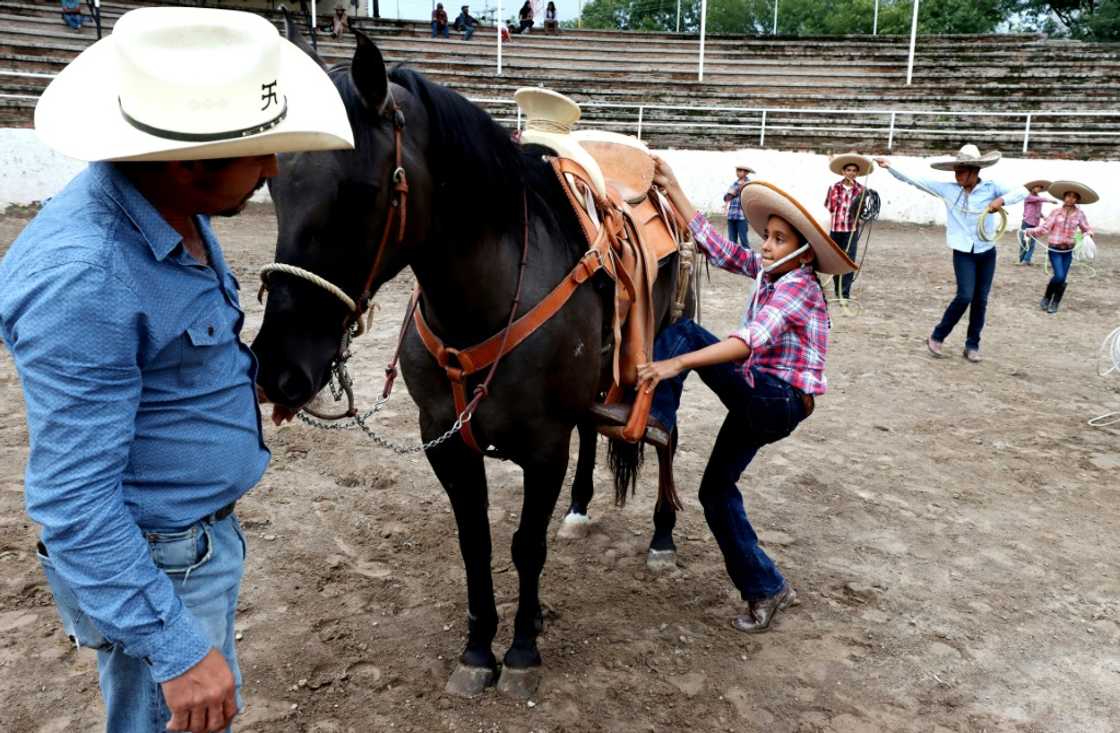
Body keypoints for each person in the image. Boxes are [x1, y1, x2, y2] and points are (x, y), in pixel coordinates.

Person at [0, 8, 353, 732]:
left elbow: (174, 357)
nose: (271, 170)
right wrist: (174, 647)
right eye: (258, 154)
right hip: (156, 563)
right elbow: (73, 501)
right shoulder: (86, 279)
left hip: (189, 545)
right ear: (189, 161)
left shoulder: (175, 215)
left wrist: (243, 382)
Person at [639, 156, 856, 634]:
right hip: (761, 398)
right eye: (767, 235)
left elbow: (749, 340)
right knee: (714, 492)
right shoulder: (771, 271)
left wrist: (676, 364)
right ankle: (767, 587)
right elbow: (716, 246)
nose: (765, 245)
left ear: (802, 253)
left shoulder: (798, 285)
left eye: (779, 239)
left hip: (776, 400)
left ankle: (656, 418)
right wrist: (672, 184)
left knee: (685, 333)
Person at [875, 145, 1025, 363]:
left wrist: (1001, 201)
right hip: (963, 251)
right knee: (965, 295)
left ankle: (972, 345)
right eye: (956, 170)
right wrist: (890, 167)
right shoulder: (949, 190)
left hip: (986, 250)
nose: (958, 175)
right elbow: (916, 181)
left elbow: (1022, 190)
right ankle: (937, 336)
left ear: (975, 171)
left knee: (980, 300)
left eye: (962, 170)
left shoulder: (992, 188)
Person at [1024, 180, 1097, 314]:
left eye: (1074, 196)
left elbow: (1087, 228)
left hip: (1068, 250)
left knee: (1062, 278)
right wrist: (1030, 231)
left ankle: (1055, 302)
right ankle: (1047, 297)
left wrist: (1088, 235)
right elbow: (1045, 228)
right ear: (1064, 197)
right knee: (1059, 276)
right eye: (1068, 195)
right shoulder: (1056, 212)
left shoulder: (1080, 214)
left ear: (1077, 200)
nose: (1071, 198)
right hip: (1055, 249)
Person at [824, 152, 873, 301]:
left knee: (849, 261)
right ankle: (838, 288)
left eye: (854, 170)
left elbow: (863, 211)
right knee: (835, 260)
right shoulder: (834, 188)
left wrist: (859, 216)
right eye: (848, 170)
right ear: (843, 172)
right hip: (836, 229)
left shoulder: (862, 190)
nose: (851, 173)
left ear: (857, 173)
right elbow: (829, 207)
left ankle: (844, 293)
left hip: (851, 230)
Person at [1017, 179, 1056, 266]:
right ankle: (1022, 259)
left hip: (1035, 223)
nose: (1038, 189)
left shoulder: (1037, 198)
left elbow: (1037, 210)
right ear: (1032, 187)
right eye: (1037, 187)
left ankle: (1027, 259)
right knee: (1024, 242)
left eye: (1040, 188)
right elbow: (1037, 199)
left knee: (1032, 243)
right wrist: (1049, 200)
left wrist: (1044, 217)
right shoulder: (1028, 196)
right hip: (1027, 222)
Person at [724, 164, 753, 249]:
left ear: (746, 173)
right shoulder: (734, 183)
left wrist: (734, 192)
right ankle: (734, 259)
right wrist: (736, 190)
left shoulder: (749, 185)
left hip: (742, 216)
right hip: (732, 215)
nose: (738, 172)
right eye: (738, 170)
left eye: (740, 171)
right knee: (732, 241)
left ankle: (748, 259)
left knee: (744, 240)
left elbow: (749, 198)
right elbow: (726, 198)